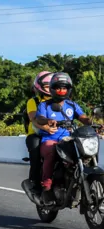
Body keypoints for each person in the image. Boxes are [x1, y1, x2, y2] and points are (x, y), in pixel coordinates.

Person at [36, 72, 93, 205]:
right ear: (52, 89)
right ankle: (47, 188)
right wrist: (48, 121)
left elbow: (82, 117)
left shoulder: (72, 105)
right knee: (51, 151)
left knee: (86, 152)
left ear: (68, 89)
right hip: (50, 140)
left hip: (69, 140)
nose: (61, 91)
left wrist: (92, 122)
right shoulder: (45, 105)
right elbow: (39, 118)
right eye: (58, 87)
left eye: (64, 88)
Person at [25, 71, 57, 193]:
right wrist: (46, 128)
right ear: (39, 87)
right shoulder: (33, 102)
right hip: (36, 134)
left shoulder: (60, 101)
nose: (50, 89)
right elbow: (33, 119)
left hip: (56, 133)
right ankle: (34, 183)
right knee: (36, 153)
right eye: (47, 86)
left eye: (52, 85)